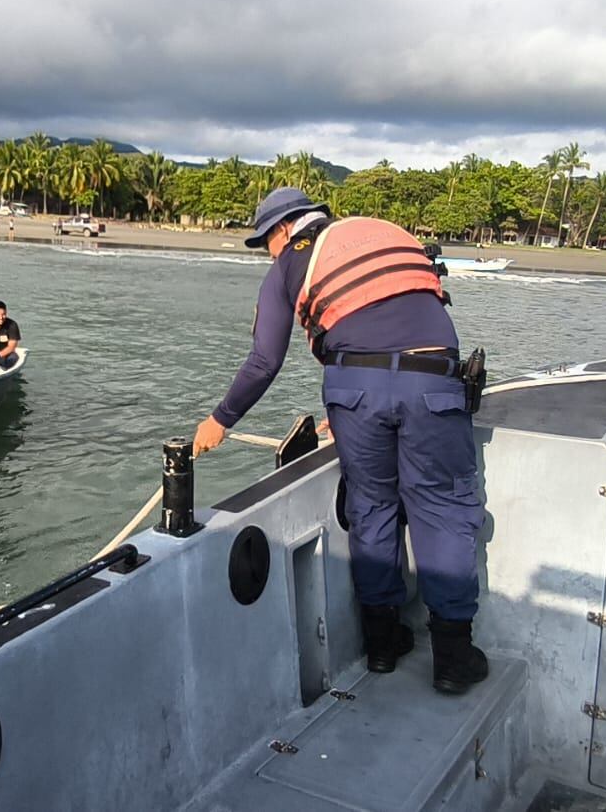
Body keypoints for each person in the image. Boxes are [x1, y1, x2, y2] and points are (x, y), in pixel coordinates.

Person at [191, 186, 488, 696]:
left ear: (282, 230)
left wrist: (221, 419)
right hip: (433, 383)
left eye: (265, 241)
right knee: (442, 509)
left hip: (354, 390)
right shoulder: (384, 235)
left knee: (371, 509)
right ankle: (454, 659)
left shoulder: (288, 264)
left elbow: (265, 360)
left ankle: (382, 645)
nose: (268, 251)